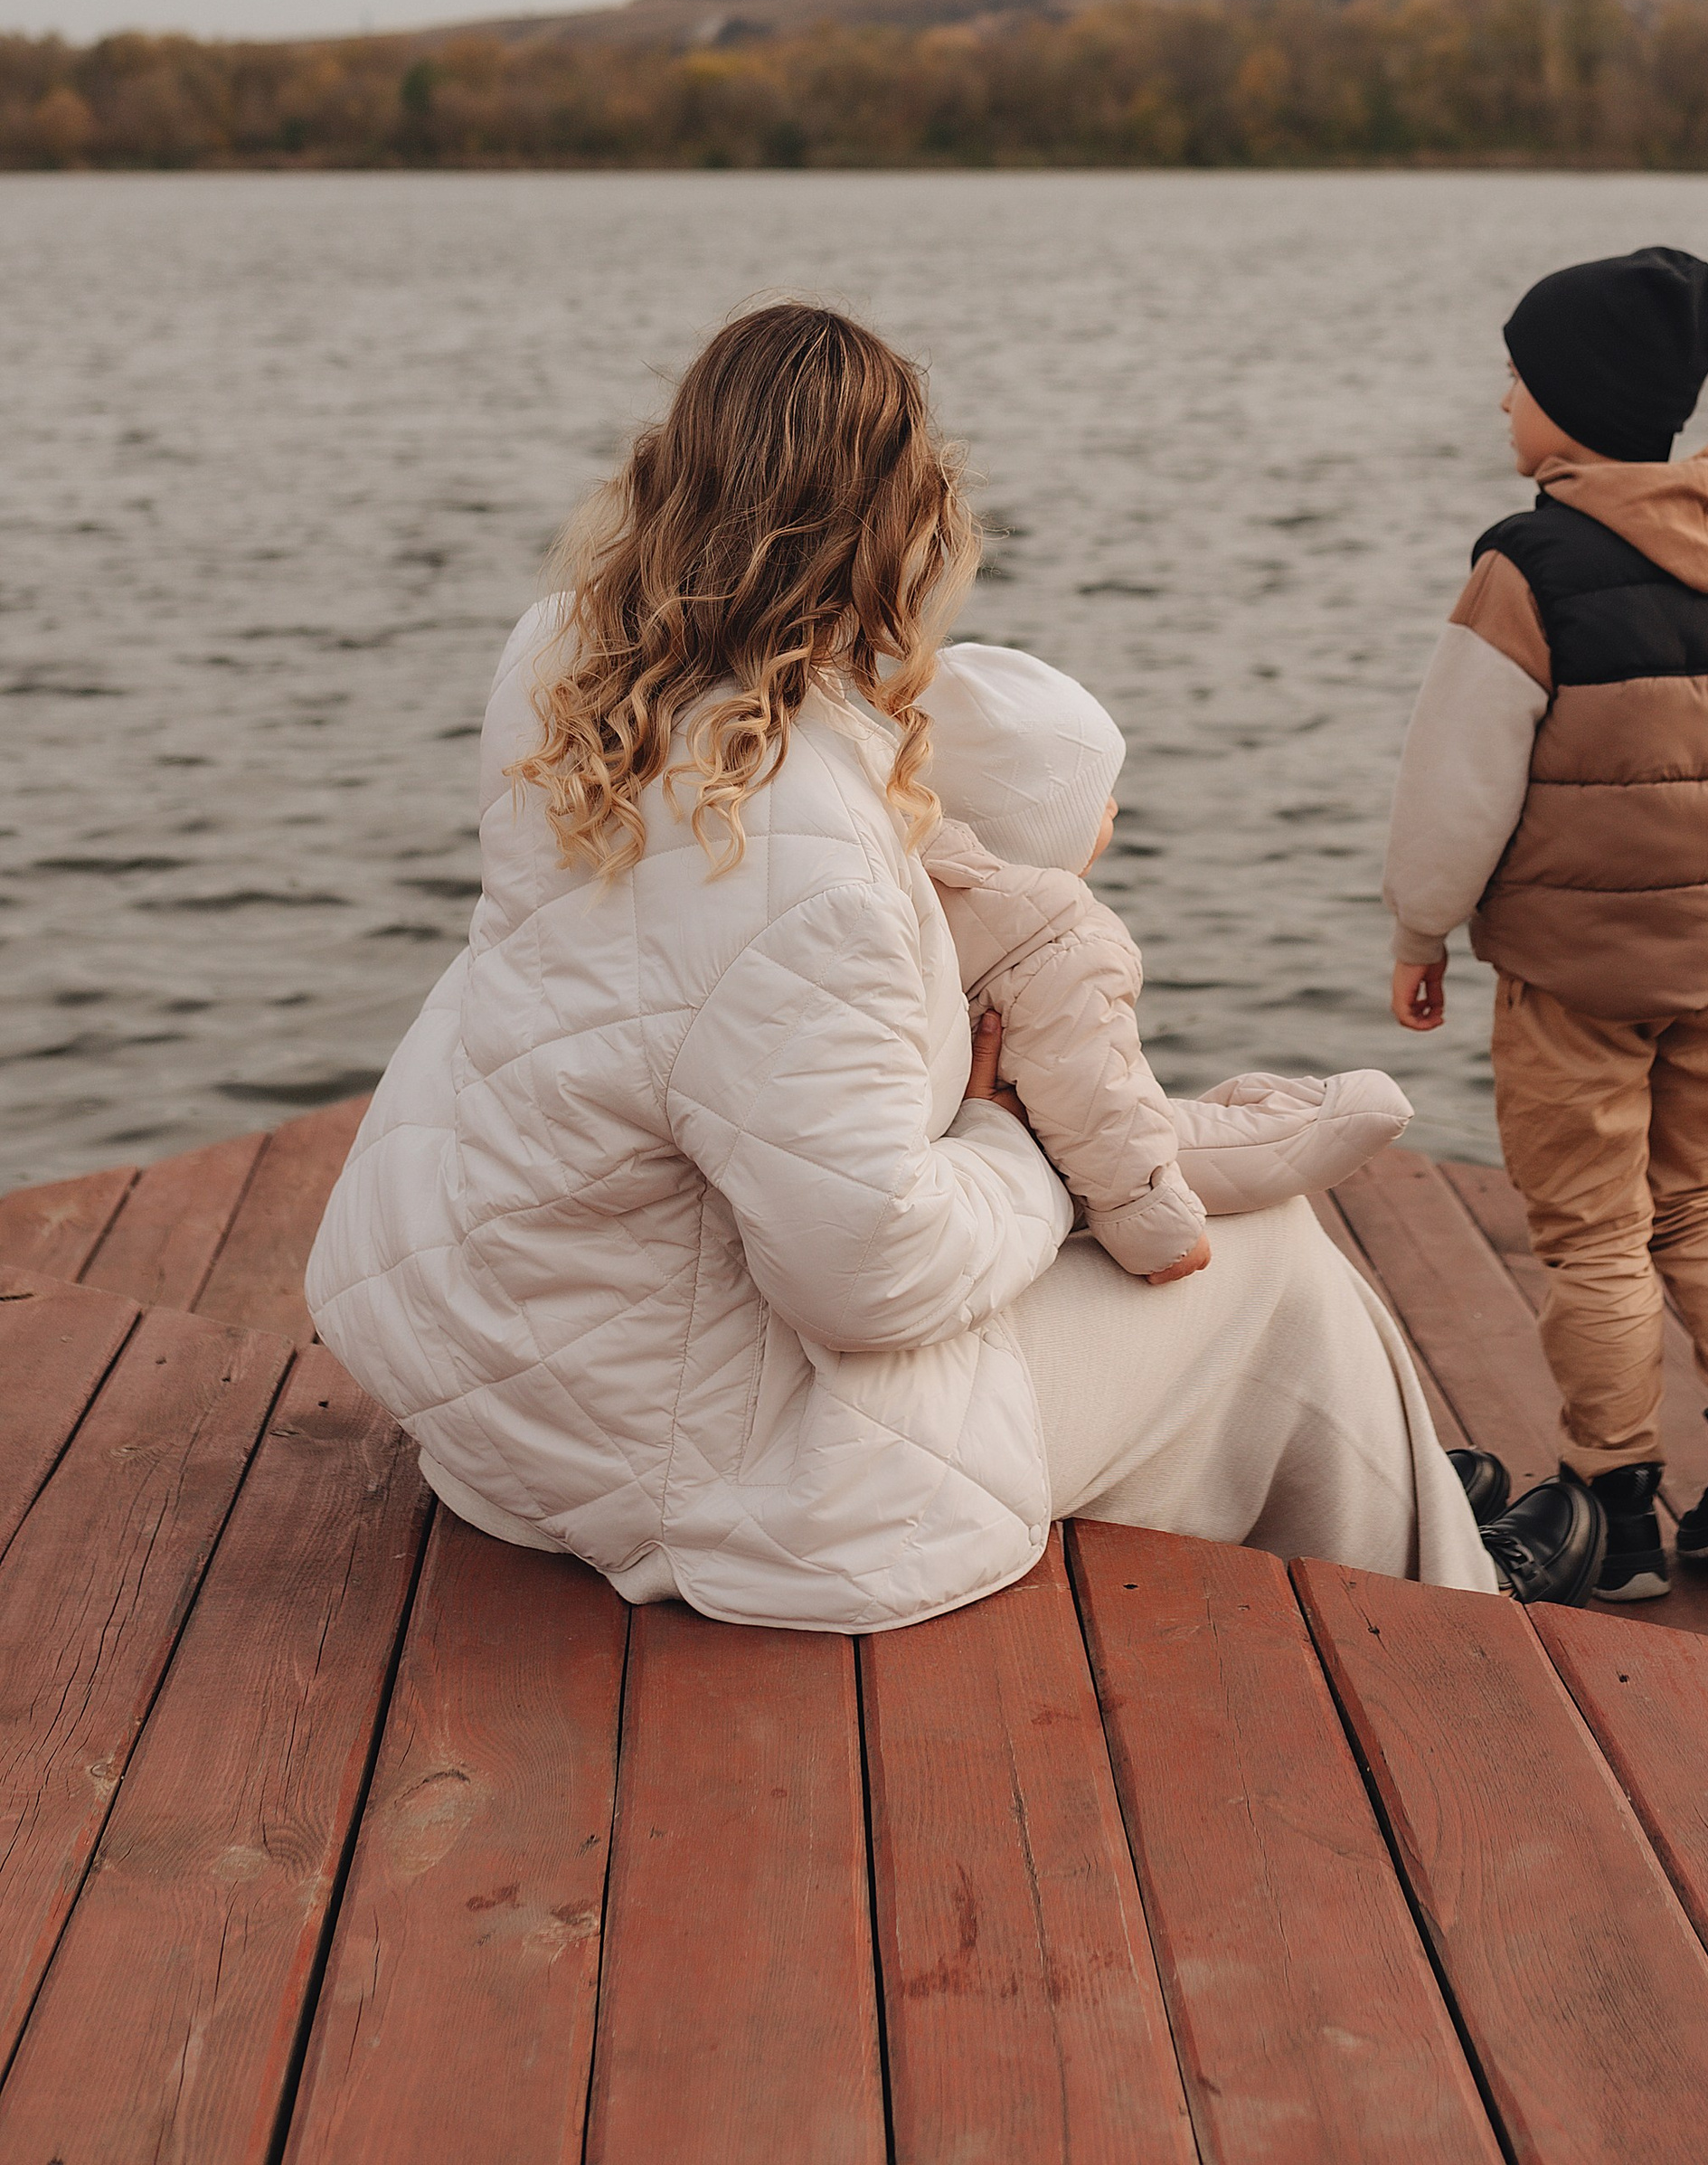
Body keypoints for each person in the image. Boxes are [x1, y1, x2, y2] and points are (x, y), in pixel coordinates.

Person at [305, 299, 1500, 1633]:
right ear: (896, 533)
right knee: (1270, 1254)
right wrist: (1014, 1148)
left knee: (1225, 1285)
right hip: (687, 1462)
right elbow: (864, 1273)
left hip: (497, 1376)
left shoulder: (565, 664)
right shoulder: (810, 845)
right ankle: (1454, 1608)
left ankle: (1434, 1532)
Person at [1383, 243, 1708, 1601]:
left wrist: (1423, 929)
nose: (1503, 402)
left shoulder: (1528, 567)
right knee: (1696, 1197)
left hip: (1575, 973)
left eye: (1516, 378)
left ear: (1571, 399)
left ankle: (1613, 1499)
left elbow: (1455, 783)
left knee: (1590, 1232)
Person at [923, 639, 1420, 1284]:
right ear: (1040, 830)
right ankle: (1337, 1117)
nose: (1114, 809)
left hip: (954, 1128)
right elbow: (1098, 1109)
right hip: (1029, 1153)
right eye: (1097, 799)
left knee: (1147, 1112)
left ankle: (1275, 1110)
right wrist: (1161, 1239)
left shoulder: (899, 878)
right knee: (1202, 1143)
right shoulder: (1060, 945)